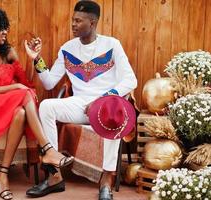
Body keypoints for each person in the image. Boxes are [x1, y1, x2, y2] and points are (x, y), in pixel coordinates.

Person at [24, 1, 137, 200]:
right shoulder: (67, 48)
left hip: (106, 108)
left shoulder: (111, 45)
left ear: (92, 23)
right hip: (80, 106)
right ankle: (55, 175)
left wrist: (102, 100)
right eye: (72, 20)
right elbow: (50, 83)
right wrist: (36, 59)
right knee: (47, 106)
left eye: (78, 21)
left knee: (116, 118)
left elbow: (131, 80)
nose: (73, 24)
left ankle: (106, 180)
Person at [0, 7, 73, 200]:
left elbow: (27, 82)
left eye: (6, 28)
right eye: (0, 28)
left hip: (10, 103)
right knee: (23, 94)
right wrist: (15, 88)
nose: (5, 32)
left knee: (21, 110)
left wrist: (32, 59)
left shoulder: (9, 52)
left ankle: (2, 173)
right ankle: (48, 150)